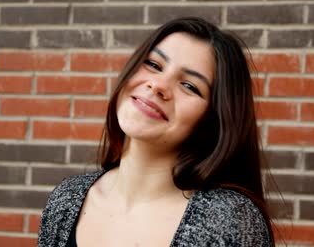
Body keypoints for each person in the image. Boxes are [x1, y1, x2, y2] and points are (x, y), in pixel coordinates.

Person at [38, 17, 274, 247]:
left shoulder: (228, 221)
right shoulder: (66, 200)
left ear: (212, 120)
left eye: (190, 86)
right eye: (153, 65)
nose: (158, 85)